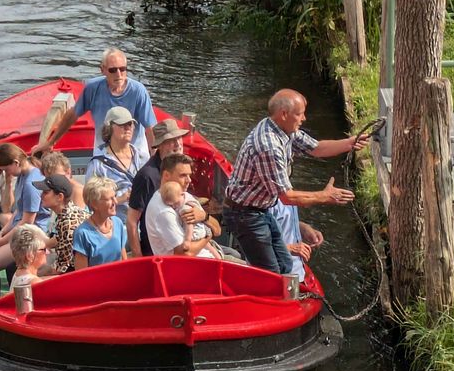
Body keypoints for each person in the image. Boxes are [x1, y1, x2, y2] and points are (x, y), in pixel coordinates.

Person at [222, 88, 369, 274]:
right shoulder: (268, 146)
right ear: (284, 114)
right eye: (300, 114)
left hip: (260, 210)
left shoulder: (284, 130)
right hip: (244, 214)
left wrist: (349, 143)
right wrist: (325, 196)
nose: (304, 118)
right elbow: (287, 197)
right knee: (270, 272)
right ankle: (268, 297)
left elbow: (316, 148)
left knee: (284, 264)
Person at [34, 48, 157, 161]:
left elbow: (150, 129)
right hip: (103, 154)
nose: (119, 74)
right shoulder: (92, 88)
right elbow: (73, 114)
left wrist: (156, 160)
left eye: (122, 69)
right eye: (113, 70)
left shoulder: (138, 91)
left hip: (134, 155)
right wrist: (51, 142)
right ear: (102, 70)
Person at [0, 144, 51, 301]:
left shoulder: (31, 184)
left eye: (6, 169)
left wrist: (2, 241)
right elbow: (18, 210)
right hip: (19, 231)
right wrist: (3, 230)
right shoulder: (22, 176)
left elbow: (27, 222)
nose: (6, 173)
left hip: (29, 236)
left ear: (16, 163)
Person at [127, 117, 194, 257]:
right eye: (171, 140)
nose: (177, 144)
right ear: (160, 145)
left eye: (179, 138)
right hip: (157, 250)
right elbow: (132, 221)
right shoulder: (147, 176)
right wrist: (139, 259)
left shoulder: (180, 168)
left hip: (181, 236)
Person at [145, 154, 221, 259]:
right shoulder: (163, 211)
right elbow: (185, 253)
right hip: (193, 267)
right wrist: (208, 236)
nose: (189, 180)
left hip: (208, 256)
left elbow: (218, 230)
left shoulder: (184, 195)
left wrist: (204, 216)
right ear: (166, 175)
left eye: (189, 175)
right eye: (183, 175)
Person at [84, 106, 145, 225]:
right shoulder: (98, 164)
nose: (128, 128)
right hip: (116, 224)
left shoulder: (141, 157)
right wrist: (121, 199)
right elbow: (91, 201)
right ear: (109, 128)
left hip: (144, 221)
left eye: (130, 124)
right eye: (123, 124)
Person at [33, 173, 88, 274]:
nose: (41, 195)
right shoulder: (73, 211)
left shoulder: (67, 222)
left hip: (75, 276)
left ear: (59, 197)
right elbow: (60, 238)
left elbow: (63, 268)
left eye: (46, 192)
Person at [73, 176, 127, 269]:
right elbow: (81, 274)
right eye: (109, 199)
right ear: (94, 204)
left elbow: (124, 261)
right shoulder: (83, 233)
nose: (115, 202)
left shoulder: (118, 223)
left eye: (114, 196)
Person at [158, 181, 222, 260]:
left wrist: (187, 240)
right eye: (171, 205)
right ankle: (219, 259)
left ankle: (219, 259)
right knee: (210, 247)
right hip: (205, 235)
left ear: (182, 194)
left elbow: (190, 225)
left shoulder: (185, 208)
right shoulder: (183, 200)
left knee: (210, 246)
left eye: (176, 203)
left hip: (197, 233)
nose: (174, 207)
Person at [267, 201, 324, 282]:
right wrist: (289, 248)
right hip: (279, 278)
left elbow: (281, 219)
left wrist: (302, 228)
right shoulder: (262, 201)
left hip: (297, 272)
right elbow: (254, 245)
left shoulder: (286, 193)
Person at [9, 224, 49, 290]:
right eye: (43, 249)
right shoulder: (35, 283)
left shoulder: (18, 273)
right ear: (30, 256)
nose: (47, 252)